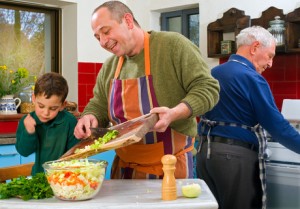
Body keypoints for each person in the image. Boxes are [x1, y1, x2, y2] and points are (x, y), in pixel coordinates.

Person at [74, 1, 220, 179]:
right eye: (97, 37)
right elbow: (99, 103)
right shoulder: (110, 66)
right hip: (124, 171)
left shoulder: (172, 46)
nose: (103, 42)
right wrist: (90, 117)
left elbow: (207, 87)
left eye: (106, 31)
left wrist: (174, 113)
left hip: (170, 167)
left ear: (128, 21)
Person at [196, 25, 300, 209]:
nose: (270, 64)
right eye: (270, 56)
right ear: (254, 48)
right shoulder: (251, 78)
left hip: (206, 155)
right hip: (234, 159)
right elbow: (277, 126)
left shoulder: (213, 73)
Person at [16, 72, 80, 175]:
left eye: (53, 108)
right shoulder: (27, 121)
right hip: (39, 178)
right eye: (41, 106)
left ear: (63, 105)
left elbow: (76, 154)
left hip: (65, 178)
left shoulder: (70, 121)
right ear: (33, 99)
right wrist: (30, 132)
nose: (45, 113)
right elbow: (24, 152)